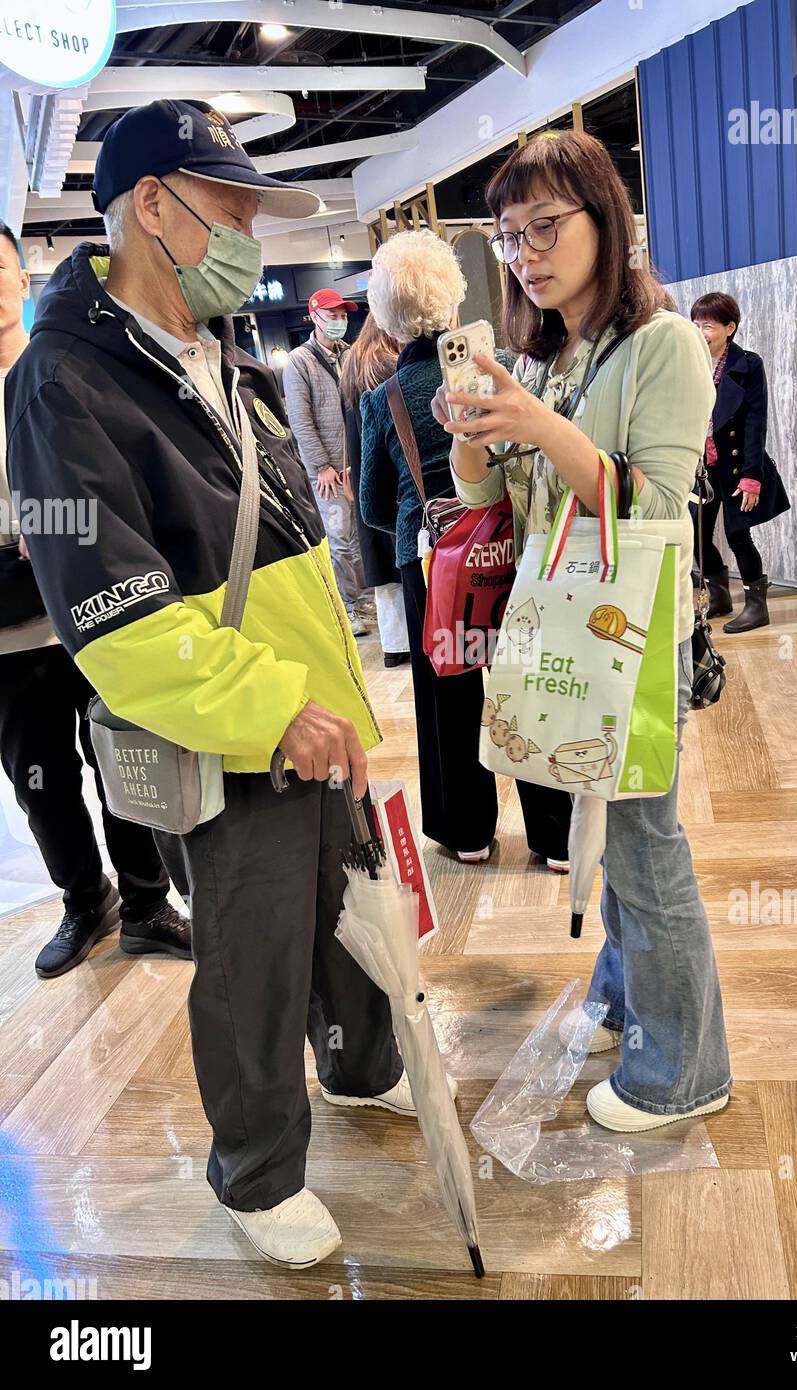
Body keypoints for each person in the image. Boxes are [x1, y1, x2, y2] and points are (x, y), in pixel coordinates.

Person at [4, 100, 414, 1269]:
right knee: (252, 951)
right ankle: (255, 1172)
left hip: (309, 701)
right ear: (153, 205)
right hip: (231, 726)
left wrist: (321, 691)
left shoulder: (214, 352)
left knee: (346, 909)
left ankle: (363, 1063)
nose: (249, 234)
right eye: (229, 209)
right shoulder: (60, 383)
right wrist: (272, 707)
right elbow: (114, 619)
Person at [436, 130, 733, 1133]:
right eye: (511, 235)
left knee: (648, 847)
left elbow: (657, 511)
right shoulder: (546, 354)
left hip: (638, 637)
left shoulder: (665, 344)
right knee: (602, 834)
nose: (527, 251)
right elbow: (501, 504)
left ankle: (684, 1070)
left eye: (546, 226)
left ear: (606, 218)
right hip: (566, 631)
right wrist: (474, 433)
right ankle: (622, 998)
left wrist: (544, 428)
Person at [0, 220, 186, 978]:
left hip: (95, 609)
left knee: (125, 762)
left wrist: (39, 527)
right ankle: (85, 900)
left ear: (20, 276)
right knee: (39, 781)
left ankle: (146, 902)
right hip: (10, 636)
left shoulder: (65, 368)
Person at [359, 229, 571, 869]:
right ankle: (556, 836)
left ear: (385, 317)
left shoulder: (382, 399)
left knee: (447, 692)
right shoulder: (500, 367)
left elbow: (371, 503)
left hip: (430, 559)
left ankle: (469, 831)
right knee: (525, 681)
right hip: (511, 549)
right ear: (454, 299)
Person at [689, 292, 790, 633]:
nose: (700, 331)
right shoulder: (690, 362)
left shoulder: (748, 365)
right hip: (702, 466)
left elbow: (754, 422)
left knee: (737, 535)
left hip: (735, 464)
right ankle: (719, 595)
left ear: (729, 328)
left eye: (708, 325)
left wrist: (752, 477)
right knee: (696, 535)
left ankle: (756, 605)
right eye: (696, 323)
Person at [283, 288, 372, 636]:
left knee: (361, 535)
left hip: (355, 463)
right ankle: (350, 606)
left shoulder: (351, 355)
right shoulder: (298, 362)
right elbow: (300, 421)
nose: (339, 321)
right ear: (315, 316)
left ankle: (364, 598)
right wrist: (321, 465)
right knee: (339, 537)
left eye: (343, 315)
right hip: (328, 470)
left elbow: (361, 405)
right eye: (332, 314)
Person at [339, 314, 410, 668]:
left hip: (365, 468)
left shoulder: (352, 363)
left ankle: (395, 644)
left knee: (381, 563)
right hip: (394, 473)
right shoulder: (391, 365)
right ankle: (409, 640)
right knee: (402, 555)